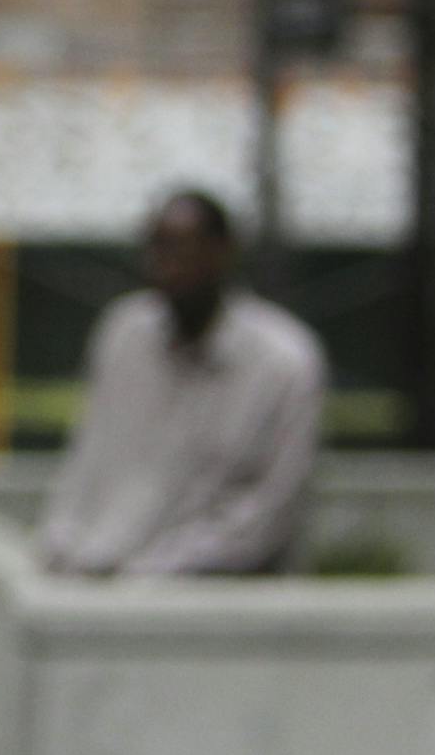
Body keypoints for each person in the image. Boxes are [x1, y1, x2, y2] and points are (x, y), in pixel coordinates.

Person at [40, 189, 327, 576]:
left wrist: (146, 574)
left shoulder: (283, 363)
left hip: (211, 612)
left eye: (183, 250)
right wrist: (62, 545)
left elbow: (267, 515)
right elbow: (88, 458)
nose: (167, 267)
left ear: (222, 252)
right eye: (158, 248)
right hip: (101, 591)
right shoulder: (124, 334)